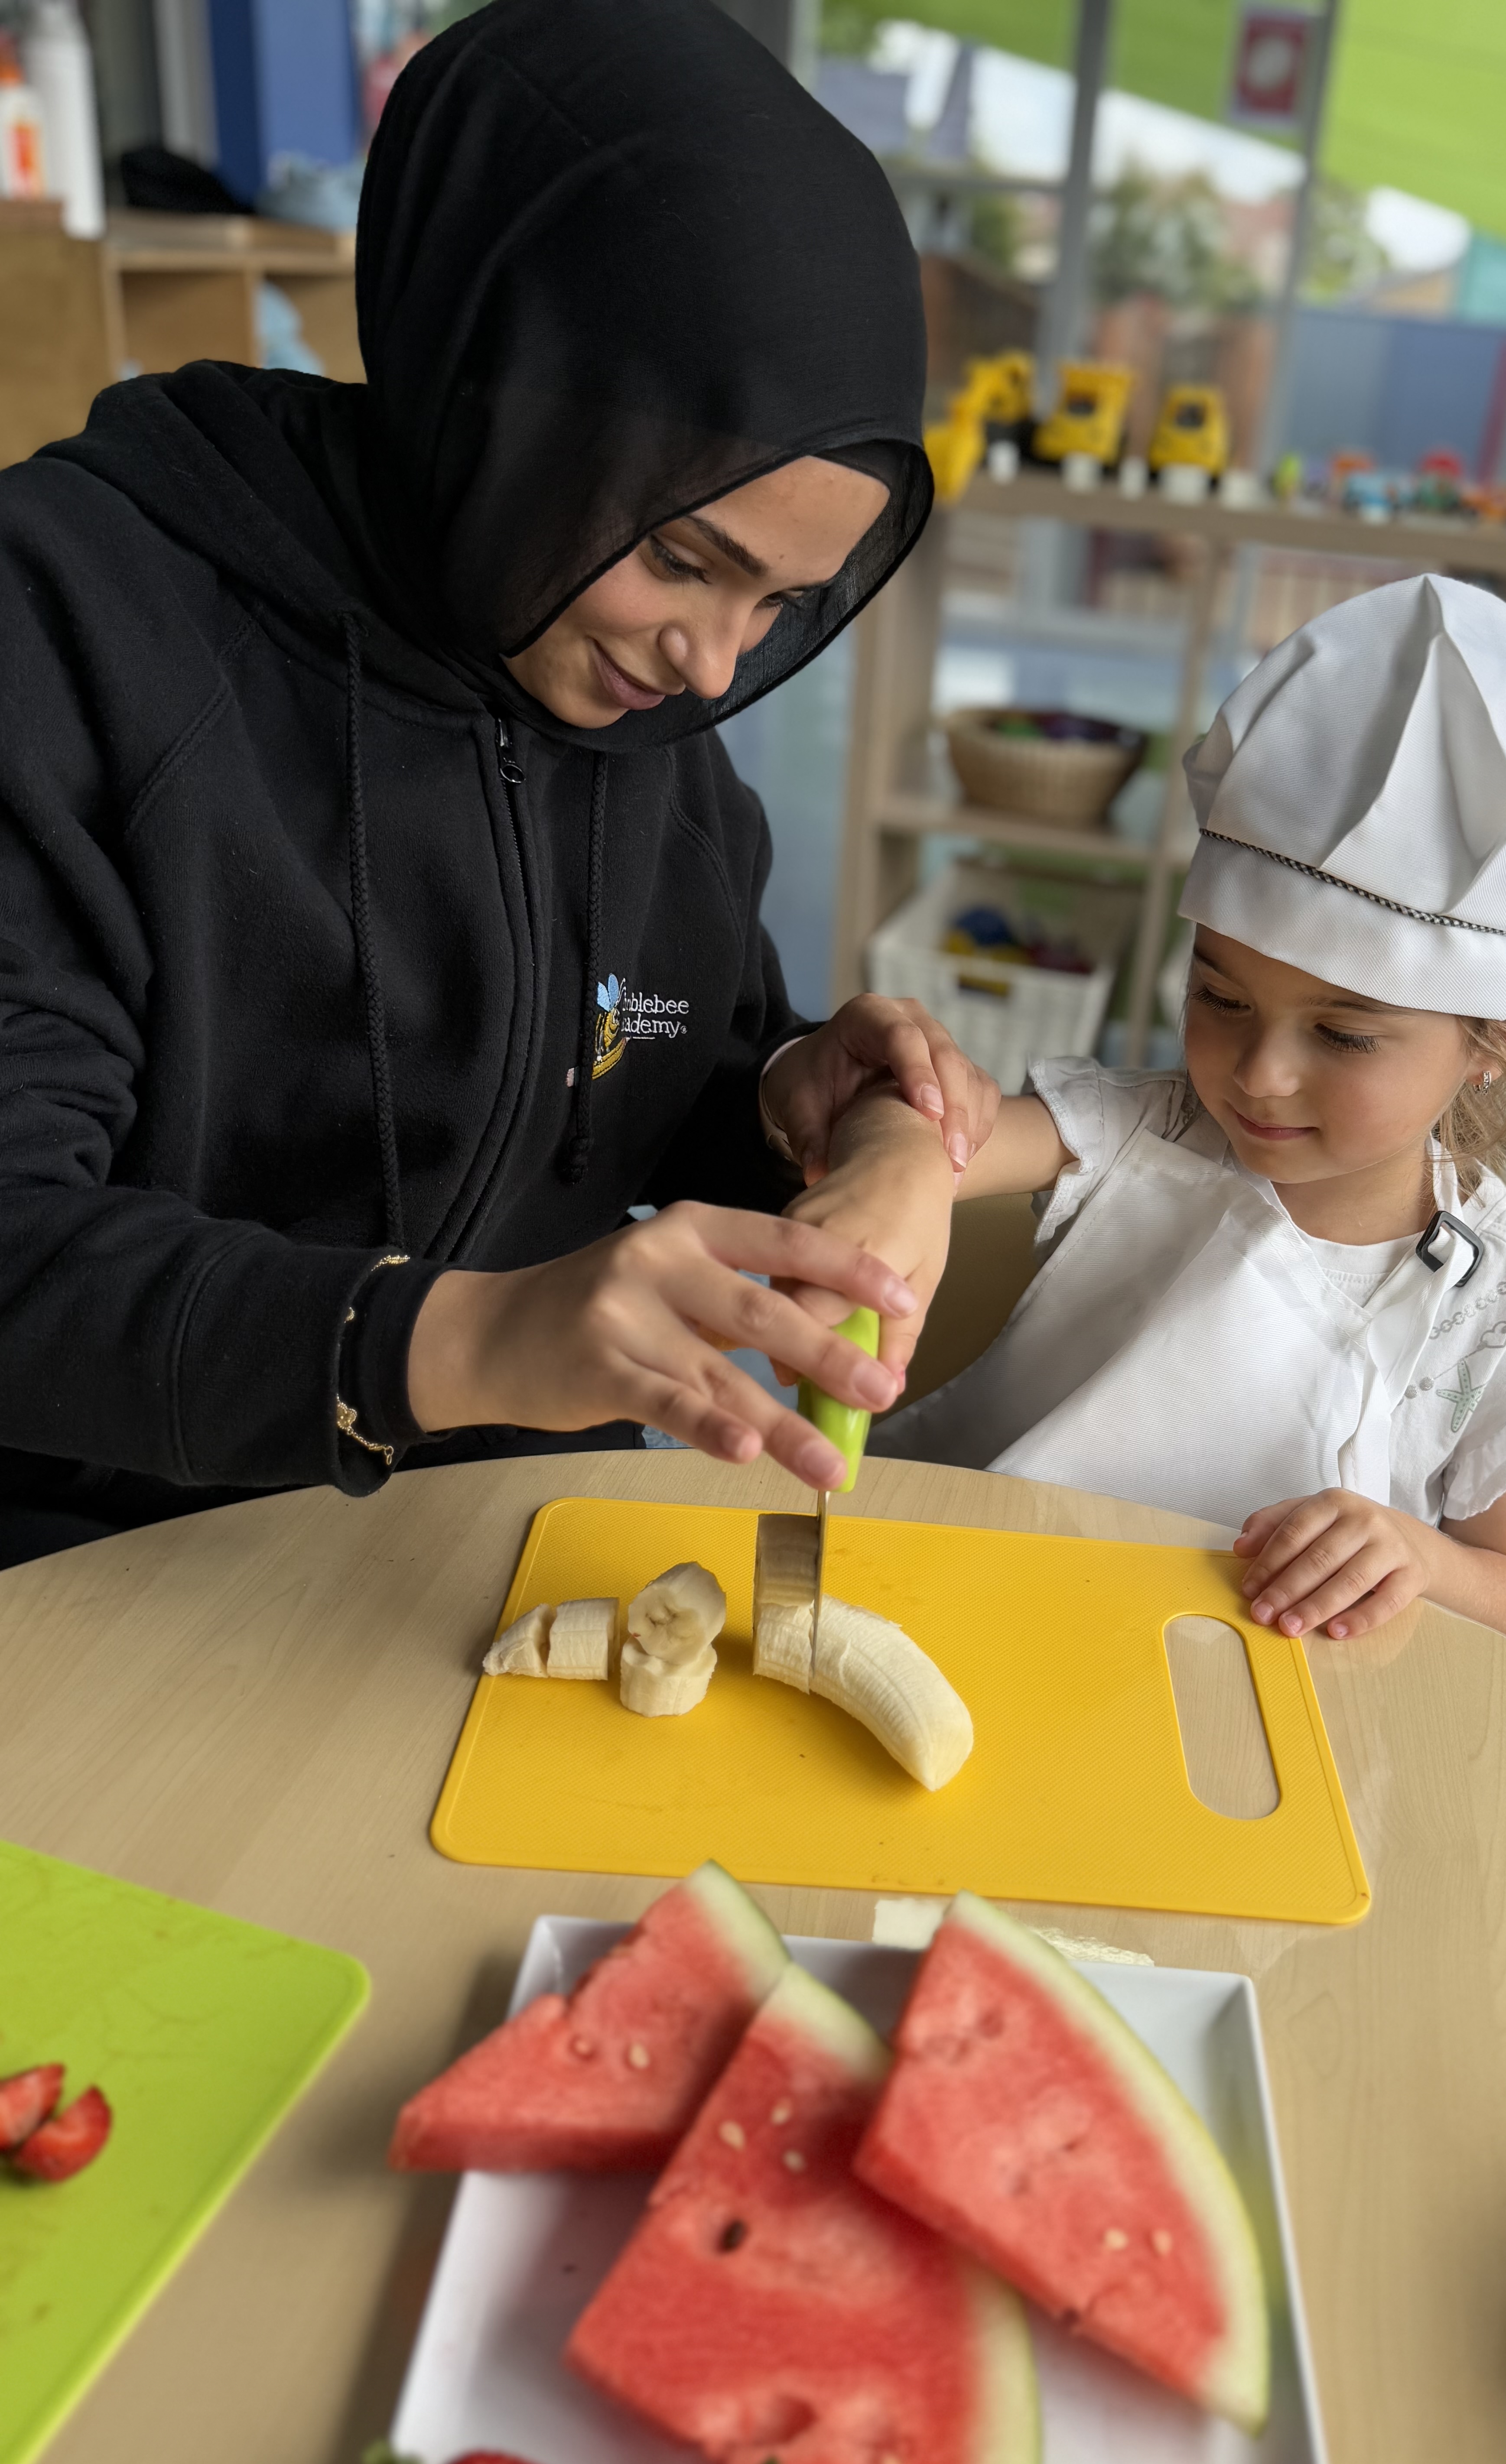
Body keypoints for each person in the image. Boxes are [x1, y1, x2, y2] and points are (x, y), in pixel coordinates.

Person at [0, 0, 998, 1568]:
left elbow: (631, 1076)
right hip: (114, 1581)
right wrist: (442, 1346)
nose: (715, 668)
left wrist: (832, 1121)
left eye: (780, 604)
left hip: (492, 1549)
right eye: (681, 556)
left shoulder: (636, 710)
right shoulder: (71, 625)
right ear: (494, 381)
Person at [792, 577, 1506, 1646]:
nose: (1258, 1075)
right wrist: (895, 1149)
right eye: (1220, 998)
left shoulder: (1504, 1309)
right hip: (975, 1608)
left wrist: (1420, 1554)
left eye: (1344, 1036)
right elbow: (938, 1130)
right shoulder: (1145, 1131)